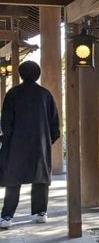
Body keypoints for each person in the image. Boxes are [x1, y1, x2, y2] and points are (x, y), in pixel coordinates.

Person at [0, 61, 60, 229]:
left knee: (14, 179)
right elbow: (54, 121)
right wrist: (49, 140)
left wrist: (8, 140)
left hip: (17, 144)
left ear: (20, 74)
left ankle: (7, 215)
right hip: (40, 143)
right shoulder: (45, 94)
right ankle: (40, 212)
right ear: (38, 74)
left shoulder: (13, 94)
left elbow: (6, 121)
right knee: (40, 178)